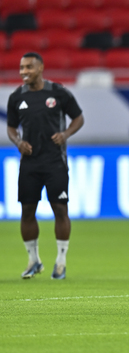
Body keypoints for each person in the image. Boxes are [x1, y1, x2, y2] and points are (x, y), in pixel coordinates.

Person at [6, 52, 84, 280]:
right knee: (27, 210)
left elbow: (78, 117)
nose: (23, 72)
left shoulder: (58, 93)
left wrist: (66, 134)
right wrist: (18, 142)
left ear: (40, 68)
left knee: (60, 209)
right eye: (21, 68)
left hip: (55, 162)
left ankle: (61, 262)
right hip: (29, 164)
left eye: (28, 67)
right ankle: (34, 260)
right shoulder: (16, 97)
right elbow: (11, 127)